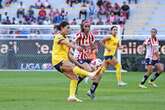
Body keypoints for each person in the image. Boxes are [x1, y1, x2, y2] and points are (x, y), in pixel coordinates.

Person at [52, 21, 101, 102]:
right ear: (62, 28)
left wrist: (79, 64)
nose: (69, 29)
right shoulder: (58, 36)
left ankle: (71, 97)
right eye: (67, 28)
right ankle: (90, 74)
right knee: (73, 68)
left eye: (69, 28)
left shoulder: (66, 38)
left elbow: (70, 55)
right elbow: (67, 43)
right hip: (58, 61)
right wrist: (76, 47)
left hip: (64, 61)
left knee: (74, 78)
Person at [74, 20, 102, 100]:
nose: (87, 28)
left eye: (88, 26)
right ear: (82, 27)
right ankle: (76, 83)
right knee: (89, 70)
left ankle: (91, 91)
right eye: (85, 26)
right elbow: (73, 43)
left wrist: (95, 49)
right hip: (79, 57)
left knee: (99, 74)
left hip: (88, 57)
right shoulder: (79, 35)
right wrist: (78, 47)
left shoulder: (91, 36)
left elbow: (93, 46)